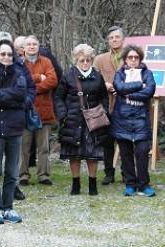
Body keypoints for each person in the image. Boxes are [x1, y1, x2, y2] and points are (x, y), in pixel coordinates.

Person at [0, 40, 33, 224]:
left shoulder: (19, 71)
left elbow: (27, 93)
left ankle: (8, 206)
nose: (6, 57)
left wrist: (8, 97)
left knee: (12, 171)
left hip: (15, 127)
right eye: (2, 54)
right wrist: (14, 96)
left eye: (9, 54)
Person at [56, 44, 110, 196]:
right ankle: (76, 184)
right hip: (72, 120)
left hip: (93, 121)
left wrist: (103, 112)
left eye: (88, 60)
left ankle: (92, 184)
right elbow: (59, 97)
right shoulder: (68, 75)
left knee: (93, 154)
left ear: (91, 60)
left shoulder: (98, 76)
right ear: (76, 60)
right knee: (74, 154)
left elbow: (103, 97)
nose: (85, 63)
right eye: (82, 60)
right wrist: (63, 114)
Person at [111, 45, 157, 197]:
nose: (132, 60)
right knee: (125, 153)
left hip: (141, 120)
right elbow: (119, 87)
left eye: (135, 57)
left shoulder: (147, 73)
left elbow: (149, 91)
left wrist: (129, 95)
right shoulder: (120, 74)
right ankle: (130, 184)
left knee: (142, 152)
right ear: (125, 59)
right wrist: (139, 86)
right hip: (122, 120)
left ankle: (143, 184)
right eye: (130, 57)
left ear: (140, 59)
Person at [19, 35, 58, 186]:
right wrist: (38, 77)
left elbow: (53, 80)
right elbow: (20, 82)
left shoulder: (46, 61)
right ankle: (23, 175)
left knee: (43, 147)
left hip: (44, 111)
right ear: (24, 47)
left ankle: (44, 175)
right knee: (23, 146)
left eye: (34, 44)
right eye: (28, 44)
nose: (31, 46)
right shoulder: (19, 62)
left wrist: (32, 88)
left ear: (38, 46)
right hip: (24, 111)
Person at [93, 25, 124, 185]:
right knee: (107, 143)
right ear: (108, 41)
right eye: (111, 38)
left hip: (125, 106)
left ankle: (127, 173)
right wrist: (103, 84)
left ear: (122, 39)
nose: (114, 40)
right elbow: (92, 79)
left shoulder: (131, 56)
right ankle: (109, 173)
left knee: (125, 142)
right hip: (106, 106)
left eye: (117, 37)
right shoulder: (100, 59)